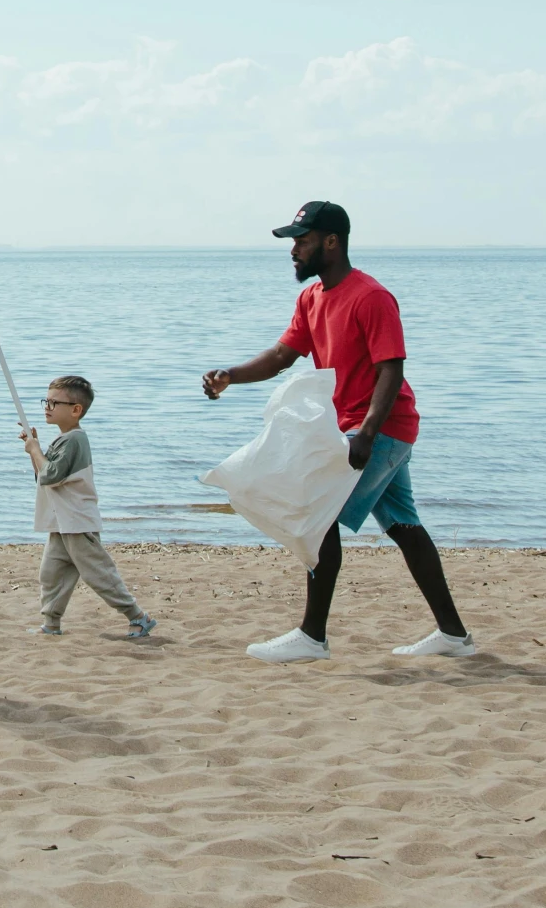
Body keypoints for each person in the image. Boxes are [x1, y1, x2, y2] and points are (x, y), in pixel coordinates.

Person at [201, 201, 474, 663]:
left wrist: (366, 435)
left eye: (302, 241)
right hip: (355, 428)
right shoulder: (311, 298)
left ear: (332, 241)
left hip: (382, 429)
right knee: (405, 528)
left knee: (317, 515)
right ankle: (453, 635)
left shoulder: (370, 297)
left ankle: (312, 636)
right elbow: (282, 355)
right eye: (293, 241)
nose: (293, 250)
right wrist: (231, 374)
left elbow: (391, 368)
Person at [24, 374, 155, 639]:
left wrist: (36, 449)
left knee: (98, 574)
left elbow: (52, 475)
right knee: (52, 574)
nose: (47, 407)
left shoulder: (75, 440)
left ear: (75, 410)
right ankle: (51, 623)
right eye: (45, 402)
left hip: (77, 520)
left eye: (54, 403)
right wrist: (33, 451)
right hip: (61, 521)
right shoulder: (63, 440)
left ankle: (139, 617)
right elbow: (43, 478)